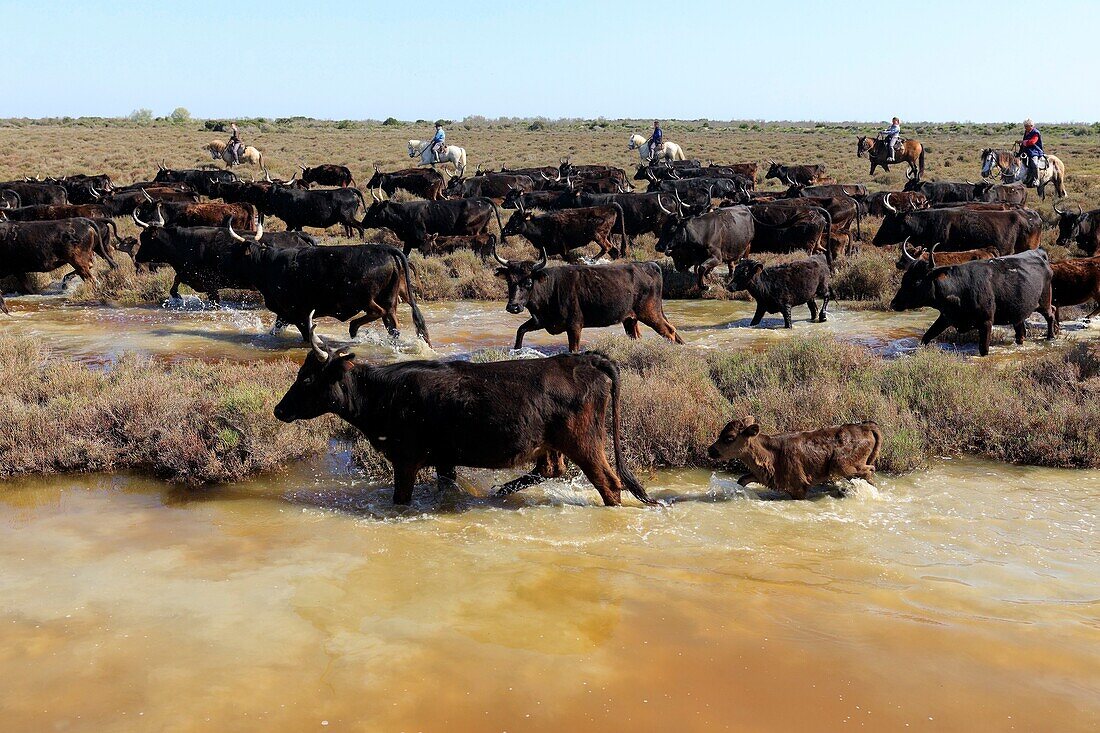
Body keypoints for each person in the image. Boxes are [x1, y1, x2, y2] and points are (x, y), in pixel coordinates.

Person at [1019, 118, 1044, 186]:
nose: (1025, 127)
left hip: (1035, 151)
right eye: (1025, 126)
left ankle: (1036, 179)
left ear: (1031, 126)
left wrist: (1023, 142)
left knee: (1034, 163)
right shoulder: (1026, 132)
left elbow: (1033, 142)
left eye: (1027, 126)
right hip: (1026, 150)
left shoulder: (1036, 132)